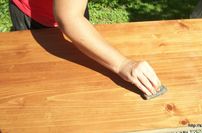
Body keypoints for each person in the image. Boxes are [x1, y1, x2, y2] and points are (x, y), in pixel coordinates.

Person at [9, 0, 162, 96]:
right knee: (40, 89)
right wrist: (123, 64)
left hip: (70, 11)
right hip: (34, 16)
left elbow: (74, 15)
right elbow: (69, 18)